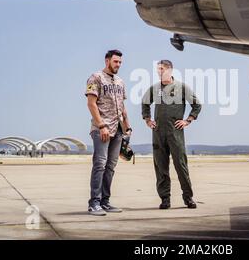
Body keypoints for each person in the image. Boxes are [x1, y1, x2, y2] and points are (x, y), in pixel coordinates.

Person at [142, 60, 202, 209]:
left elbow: (197, 104)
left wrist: (188, 120)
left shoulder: (182, 87)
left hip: (175, 133)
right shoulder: (154, 89)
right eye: (157, 69)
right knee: (161, 166)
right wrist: (148, 119)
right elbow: (145, 103)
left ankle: (188, 197)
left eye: (161, 69)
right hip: (158, 133)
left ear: (170, 70)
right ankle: (165, 199)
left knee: (180, 165)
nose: (159, 72)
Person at [85, 49, 132, 216]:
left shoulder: (120, 82)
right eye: (115, 61)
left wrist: (127, 126)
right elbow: (91, 104)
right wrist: (101, 125)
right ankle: (94, 203)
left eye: (120, 62)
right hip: (102, 129)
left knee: (111, 166)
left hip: (118, 129)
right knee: (100, 164)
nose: (118, 64)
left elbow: (122, 106)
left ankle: (105, 202)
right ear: (107, 61)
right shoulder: (95, 77)